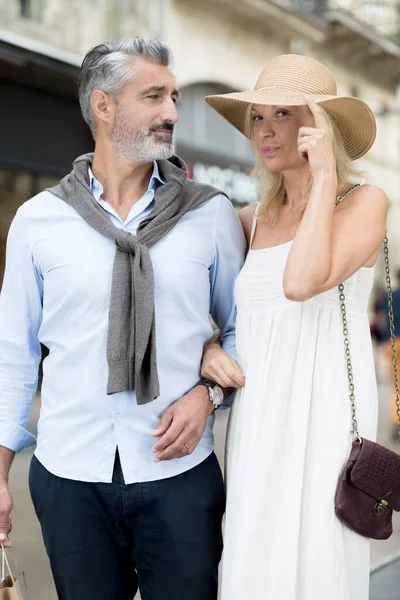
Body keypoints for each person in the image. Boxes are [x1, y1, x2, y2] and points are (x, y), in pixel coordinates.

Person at [0, 38, 246, 600]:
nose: (173, 113)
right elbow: (12, 351)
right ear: (104, 107)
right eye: (154, 96)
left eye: (175, 97)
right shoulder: (39, 220)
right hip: (69, 476)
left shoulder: (209, 214)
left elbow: (241, 329)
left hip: (180, 473)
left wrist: (208, 393)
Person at [201, 54, 387, 600]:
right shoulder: (249, 219)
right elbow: (192, 300)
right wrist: (208, 343)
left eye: (284, 114)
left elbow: (302, 281)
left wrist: (325, 173)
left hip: (324, 420)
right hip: (258, 421)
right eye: (257, 118)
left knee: (319, 564)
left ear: (318, 127)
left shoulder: (365, 201)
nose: (264, 131)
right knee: (254, 557)